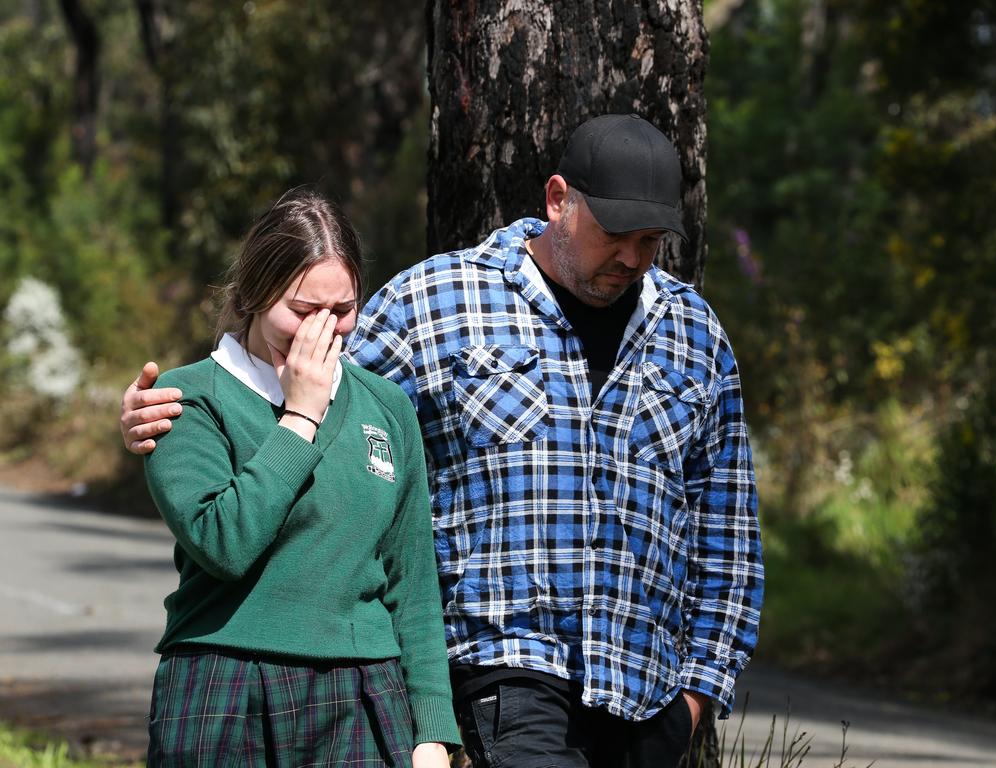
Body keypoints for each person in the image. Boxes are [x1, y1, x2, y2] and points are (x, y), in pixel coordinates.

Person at [123, 115, 764, 768]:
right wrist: (174, 414)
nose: (631, 256)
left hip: (642, 688)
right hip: (507, 675)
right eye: (615, 234)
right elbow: (271, 415)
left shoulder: (692, 331)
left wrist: (697, 695)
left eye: (650, 240)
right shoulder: (438, 302)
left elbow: (725, 518)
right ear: (558, 200)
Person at [139, 190, 458, 767]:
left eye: (341, 310)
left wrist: (433, 727)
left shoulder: (385, 407)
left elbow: (411, 579)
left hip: (359, 692)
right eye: (302, 309)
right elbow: (225, 543)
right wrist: (301, 416)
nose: (324, 330)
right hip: (221, 685)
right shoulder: (187, 399)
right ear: (256, 294)